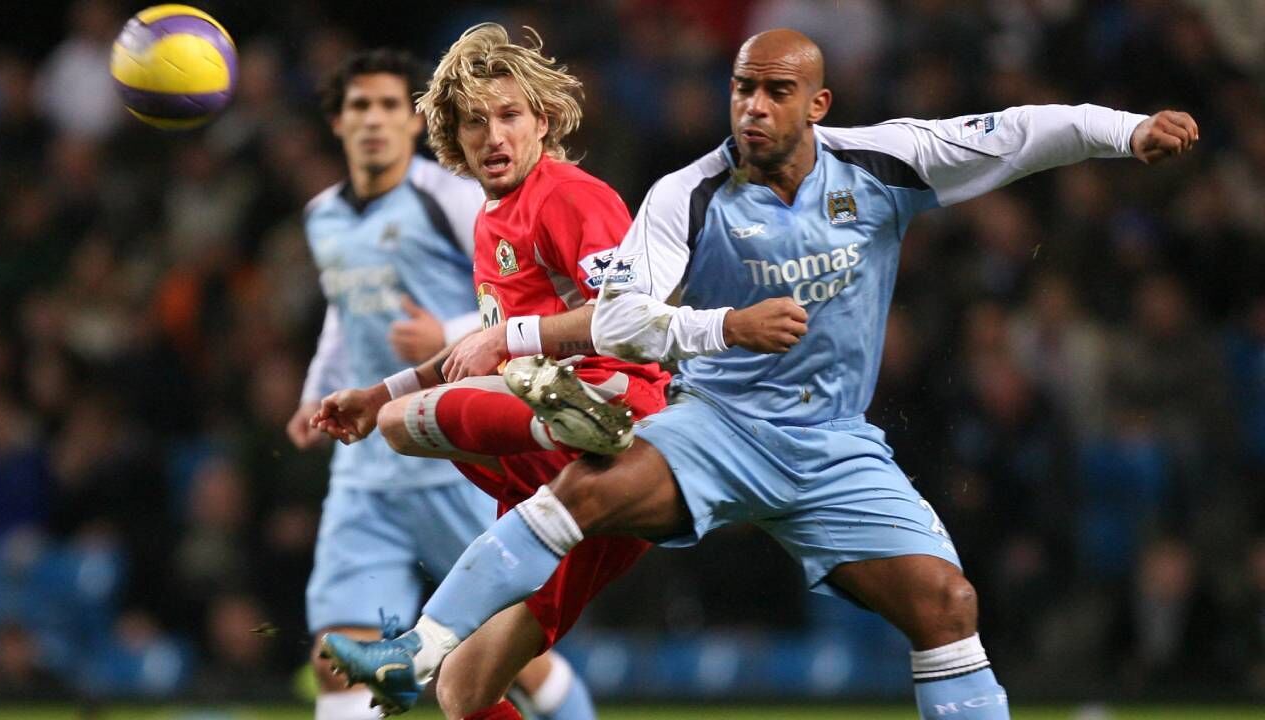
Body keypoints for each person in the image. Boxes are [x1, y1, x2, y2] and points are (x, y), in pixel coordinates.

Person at [319, 29, 1200, 720]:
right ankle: (423, 639)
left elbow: (1014, 133)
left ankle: (555, 438)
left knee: (946, 602)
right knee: (556, 508)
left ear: (818, 102)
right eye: (742, 88)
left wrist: (1125, 132)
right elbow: (626, 315)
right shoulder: (686, 193)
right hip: (718, 427)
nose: (754, 107)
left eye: (777, 91)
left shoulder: (883, 162)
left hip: (831, 447)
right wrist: (728, 325)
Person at [311, 25, 669, 720]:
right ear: (451, 133)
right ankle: (557, 419)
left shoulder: (568, 194)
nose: (493, 135)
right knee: (464, 692)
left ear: (544, 118)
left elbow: (631, 318)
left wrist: (494, 350)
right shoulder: (491, 221)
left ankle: (571, 415)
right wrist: (377, 390)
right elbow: (482, 347)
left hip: (625, 418)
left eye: (508, 115)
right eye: (473, 121)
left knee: (403, 427)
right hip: (563, 493)